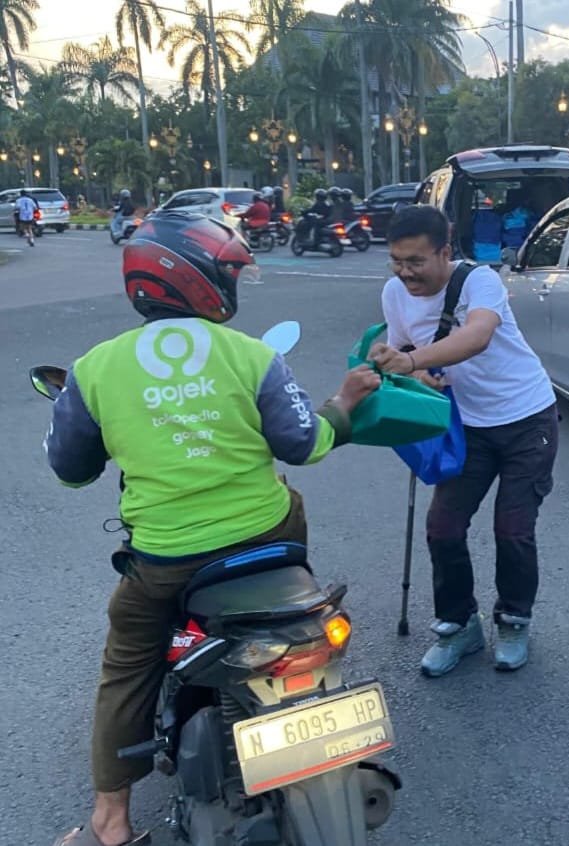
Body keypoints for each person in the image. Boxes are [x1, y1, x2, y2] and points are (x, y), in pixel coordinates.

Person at [46, 211, 380, 846]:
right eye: (228, 271)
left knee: (127, 662)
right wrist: (344, 402)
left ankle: (111, 823)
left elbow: (70, 472)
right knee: (291, 494)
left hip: (168, 561)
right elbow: (305, 443)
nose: (232, 282)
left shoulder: (93, 370)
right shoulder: (252, 356)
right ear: (197, 278)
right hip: (269, 543)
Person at [370, 205, 558, 676]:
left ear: (445, 252)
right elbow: (406, 351)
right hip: (467, 426)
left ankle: (514, 620)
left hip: (526, 418)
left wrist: (412, 363)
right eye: (397, 260)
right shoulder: (394, 292)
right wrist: (405, 366)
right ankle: (459, 625)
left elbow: (476, 337)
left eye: (415, 261)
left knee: (512, 529)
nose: (405, 272)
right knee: (443, 528)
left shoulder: (480, 281)